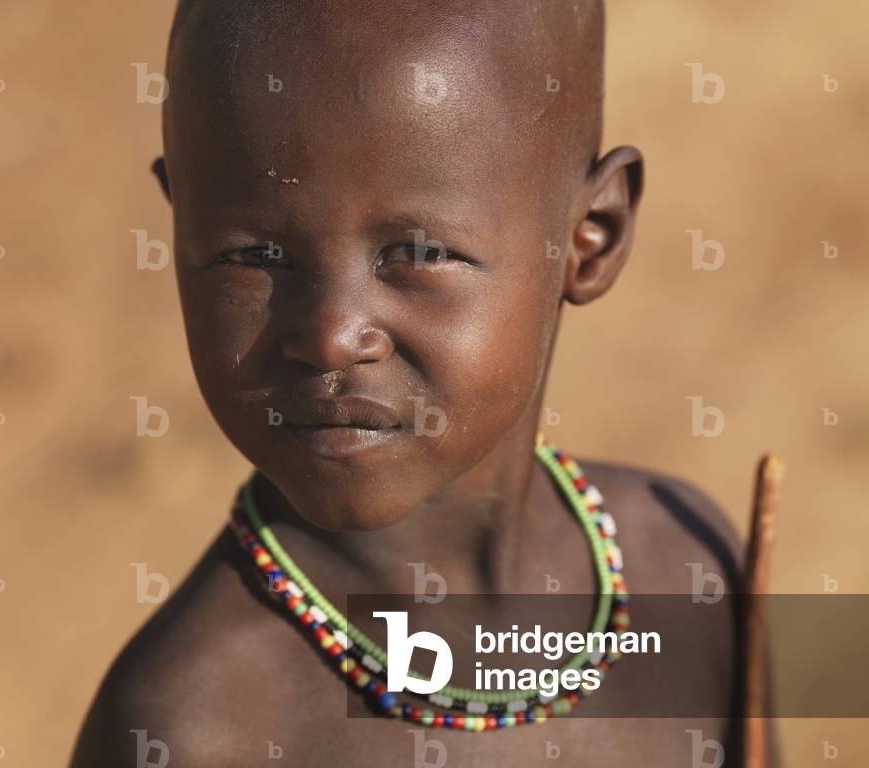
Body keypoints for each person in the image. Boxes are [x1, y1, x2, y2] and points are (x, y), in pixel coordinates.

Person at [72, 1, 769, 764]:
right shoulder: (194, 725)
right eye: (255, 256)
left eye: (417, 249)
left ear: (589, 237)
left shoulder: (685, 565)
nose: (332, 336)